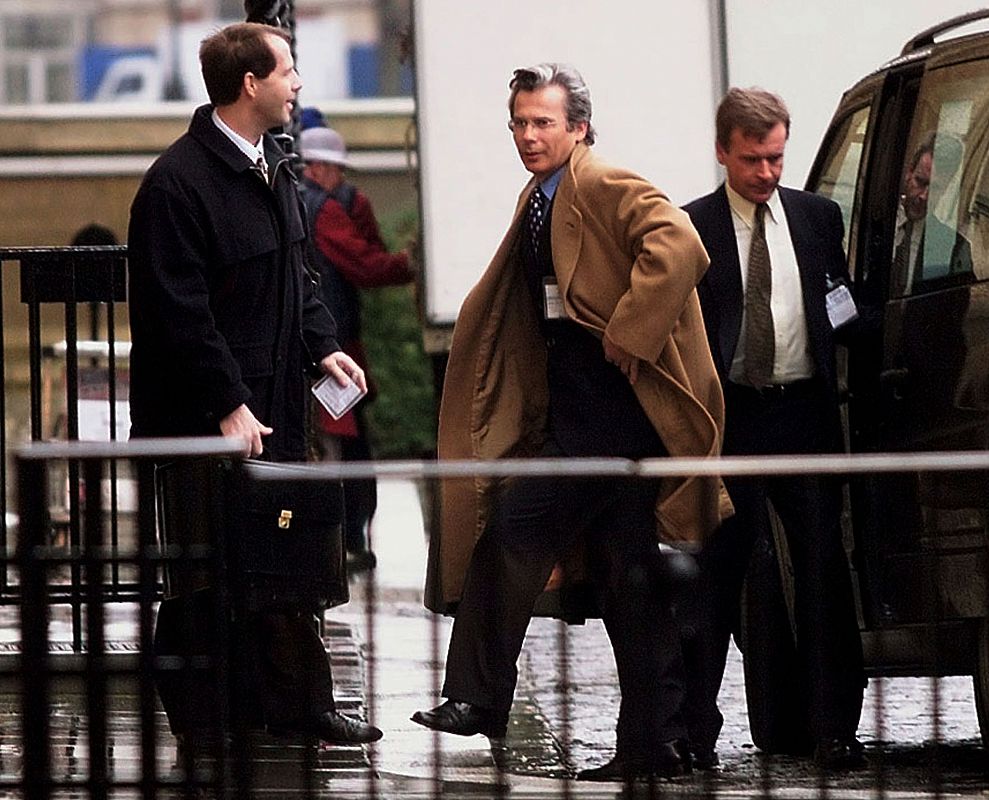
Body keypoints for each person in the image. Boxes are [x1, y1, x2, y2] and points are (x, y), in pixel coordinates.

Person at [411, 62, 730, 782]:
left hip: (610, 428)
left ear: (577, 126)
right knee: (630, 587)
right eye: (519, 123)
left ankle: (477, 697)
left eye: (542, 122)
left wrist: (630, 327)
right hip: (593, 424)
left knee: (514, 530)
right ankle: (655, 746)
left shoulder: (598, 180)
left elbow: (679, 244)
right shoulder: (541, 192)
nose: (527, 135)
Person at [127, 21, 381, 748]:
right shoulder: (178, 185)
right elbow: (181, 314)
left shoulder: (273, 167)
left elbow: (295, 280)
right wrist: (228, 404)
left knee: (284, 560)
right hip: (204, 421)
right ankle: (208, 722)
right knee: (202, 576)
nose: (297, 83)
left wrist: (324, 348)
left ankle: (296, 706)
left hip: (272, 408)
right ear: (251, 84)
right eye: (288, 70)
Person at [682, 87, 866, 771]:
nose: (766, 173)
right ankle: (694, 731)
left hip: (801, 413)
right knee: (715, 574)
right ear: (723, 151)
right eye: (753, 159)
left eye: (776, 158)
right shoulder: (690, 226)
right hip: (730, 417)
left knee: (822, 569)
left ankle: (833, 727)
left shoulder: (819, 218)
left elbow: (839, 304)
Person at [297, 123, 417, 571]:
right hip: (333, 350)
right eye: (337, 170)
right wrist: (408, 265)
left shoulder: (305, 204)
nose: (342, 180)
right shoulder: (326, 211)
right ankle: (341, 540)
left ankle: (334, 539)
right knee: (342, 449)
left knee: (332, 446)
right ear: (320, 167)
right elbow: (366, 264)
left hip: (321, 348)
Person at [892, 131, 972, 294]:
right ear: (909, 174)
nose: (924, 196)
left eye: (935, 189)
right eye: (920, 182)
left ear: (945, 189)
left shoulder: (953, 248)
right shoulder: (872, 222)